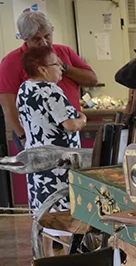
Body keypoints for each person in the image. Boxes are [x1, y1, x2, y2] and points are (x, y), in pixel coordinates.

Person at [0, 11, 96, 150]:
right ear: (24, 38)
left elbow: (92, 79)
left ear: (52, 30)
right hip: (36, 134)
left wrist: (63, 67)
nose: (44, 43)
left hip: (69, 130)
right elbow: (7, 105)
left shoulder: (65, 52)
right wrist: (22, 135)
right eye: (36, 39)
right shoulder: (11, 61)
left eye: (47, 36)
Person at [15, 47, 87, 212]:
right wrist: (82, 119)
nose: (61, 68)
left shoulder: (24, 88)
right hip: (57, 162)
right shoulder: (50, 90)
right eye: (56, 64)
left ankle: (48, 237)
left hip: (36, 159)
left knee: (44, 210)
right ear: (42, 69)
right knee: (62, 212)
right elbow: (70, 125)